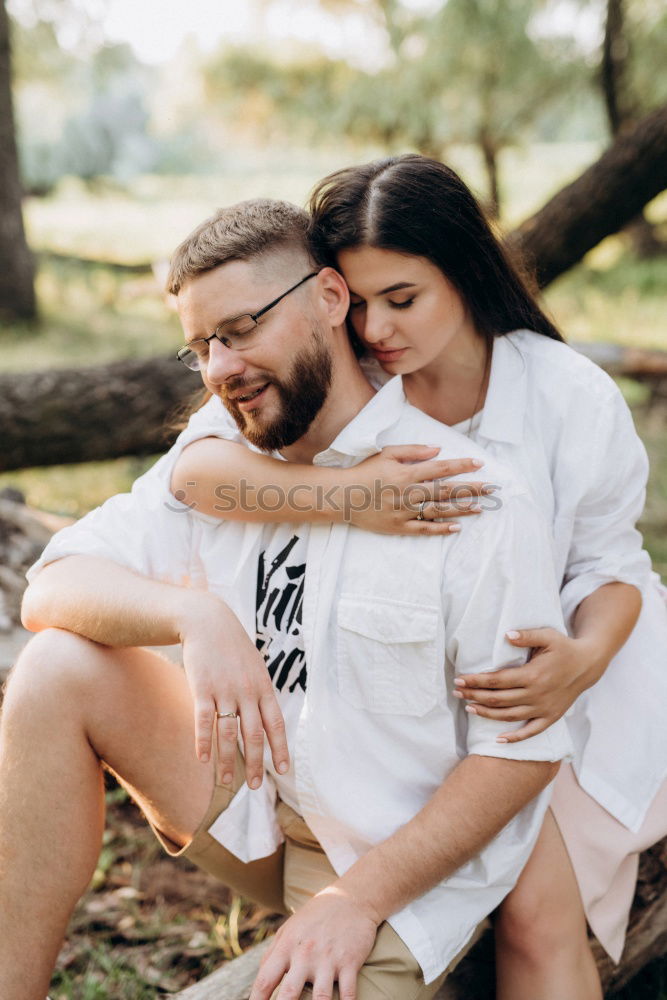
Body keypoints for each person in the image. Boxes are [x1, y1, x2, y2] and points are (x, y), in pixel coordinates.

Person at [0, 198, 573, 1000]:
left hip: (395, 865)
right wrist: (195, 617)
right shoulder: (223, 458)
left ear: (331, 300)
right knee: (56, 668)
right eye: (201, 346)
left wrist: (355, 899)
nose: (220, 367)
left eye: (241, 329)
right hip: (255, 806)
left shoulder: (464, 494)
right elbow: (53, 583)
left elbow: (520, 751)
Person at [166, 157, 667, 1000]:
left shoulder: (562, 393)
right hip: (404, 701)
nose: (378, 328)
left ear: (464, 274)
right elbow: (192, 473)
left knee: (534, 906)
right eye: (356, 303)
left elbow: (614, 568)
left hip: (561, 685)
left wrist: (578, 661)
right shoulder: (338, 377)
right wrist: (345, 495)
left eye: (403, 298)